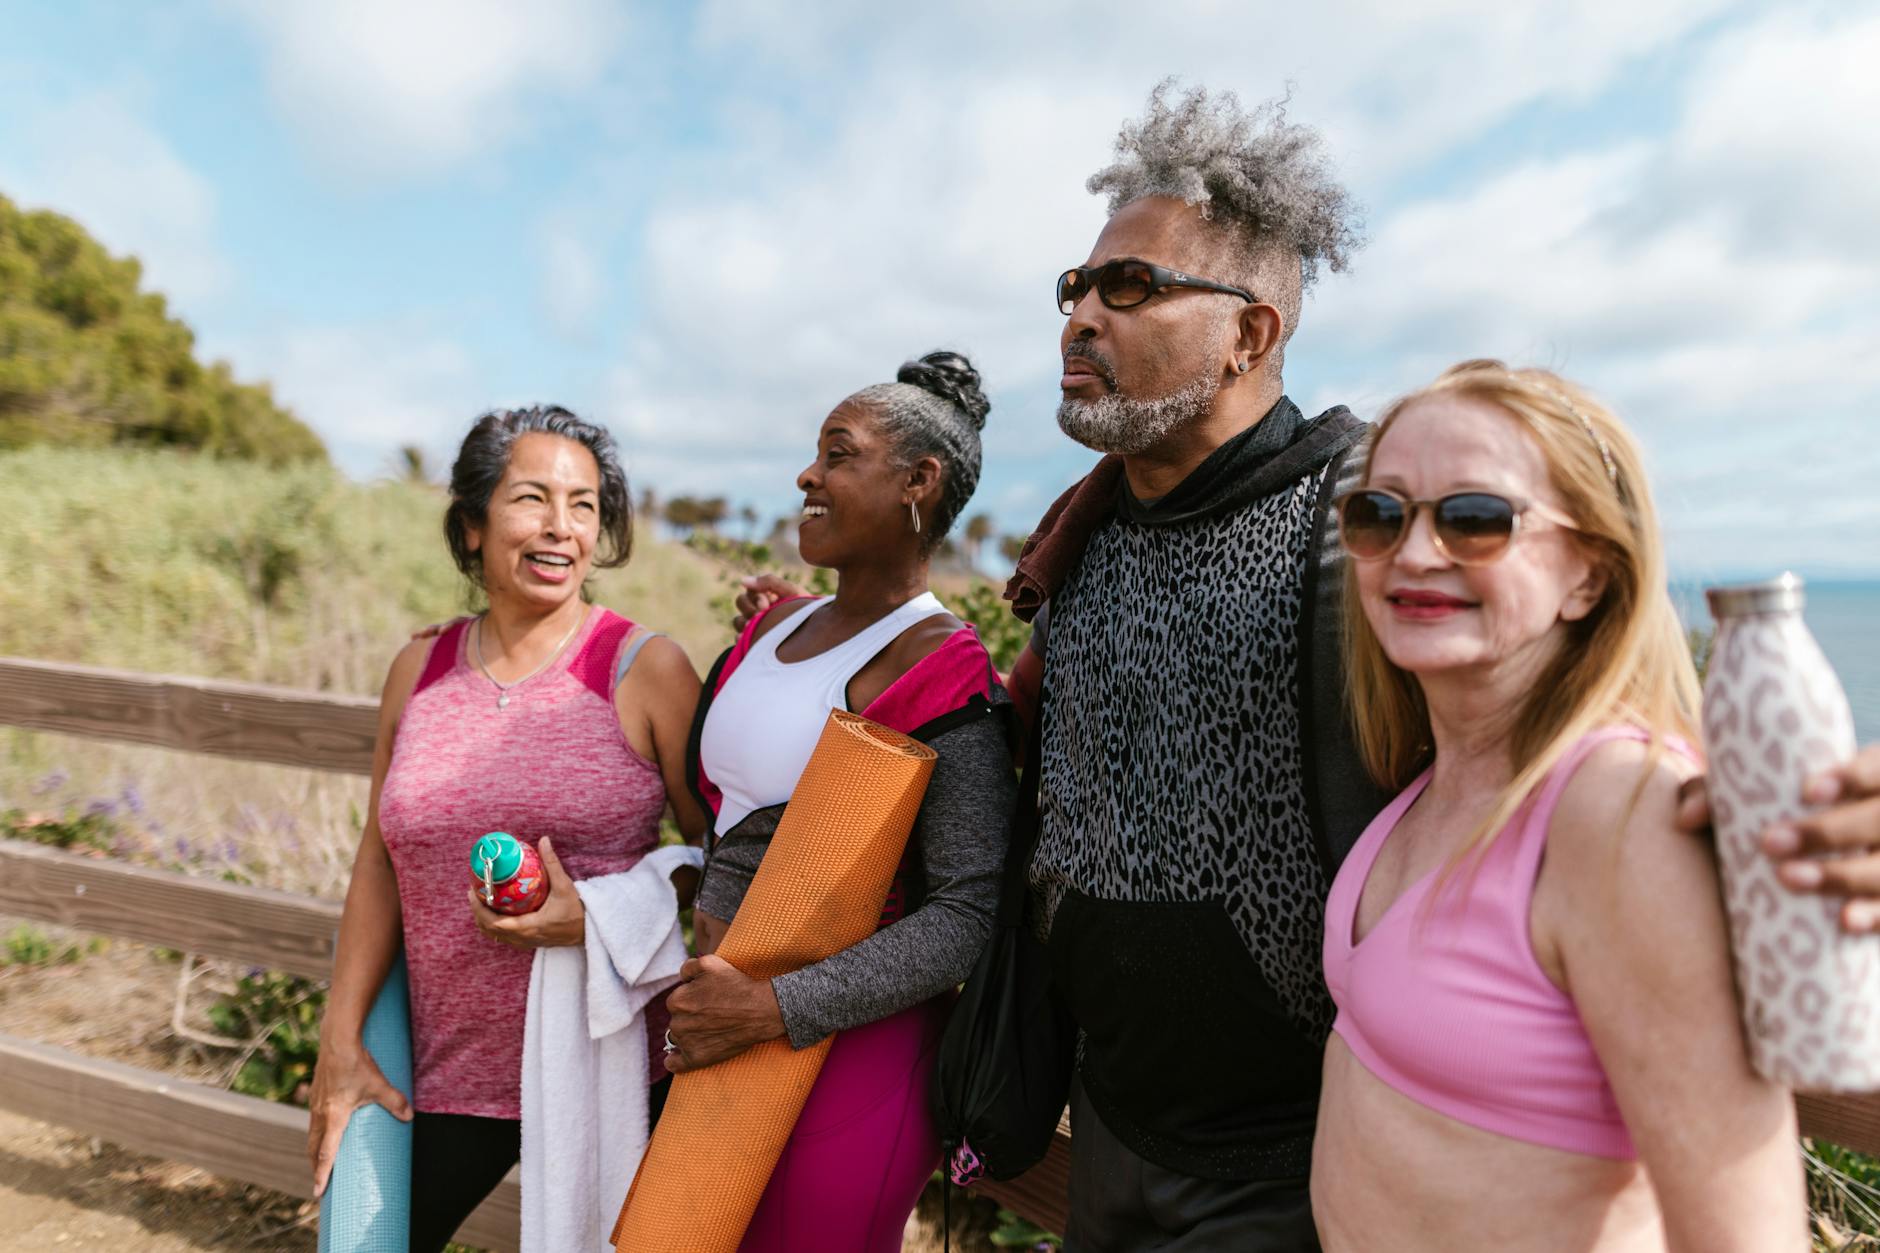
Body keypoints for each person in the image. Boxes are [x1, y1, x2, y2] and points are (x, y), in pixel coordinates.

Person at [736, 83, 1880, 1251]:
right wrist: (832, 645)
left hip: (1301, 1146)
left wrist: (1779, 817)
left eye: (1127, 286)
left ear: (1248, 332)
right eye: (1073, 288)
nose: (1080, 314)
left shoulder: (1360, 526)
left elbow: (1561, 710)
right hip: (1109, 1116)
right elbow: (1033, 748)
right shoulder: (1084, 535)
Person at [1313, 361, 1805, 1251]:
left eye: (1475, 518)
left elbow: (1748, 1234)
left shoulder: (1619, 812)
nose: (1416, 552)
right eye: (1378, 513)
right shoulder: (1438, 774)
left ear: (1588, 574)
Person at [306, 406, 706, 1252]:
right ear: (472, 525)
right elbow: (379, 857)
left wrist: (594, 918)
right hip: (443, 1070)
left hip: (616, 1067)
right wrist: (339, 1042)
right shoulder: (419, 666)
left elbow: (722, 860)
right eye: (532, 498)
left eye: (586, 504)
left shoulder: (646, 669)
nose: (562, 526)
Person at [663, 351, 1017, 1252]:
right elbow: (721, 819)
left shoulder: (944, 669)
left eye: (837, 453)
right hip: (716, 1032)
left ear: (918, 481)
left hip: (852, 1056)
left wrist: (772, 1006)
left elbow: (967, 911)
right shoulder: (772, 627)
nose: (806, 475)